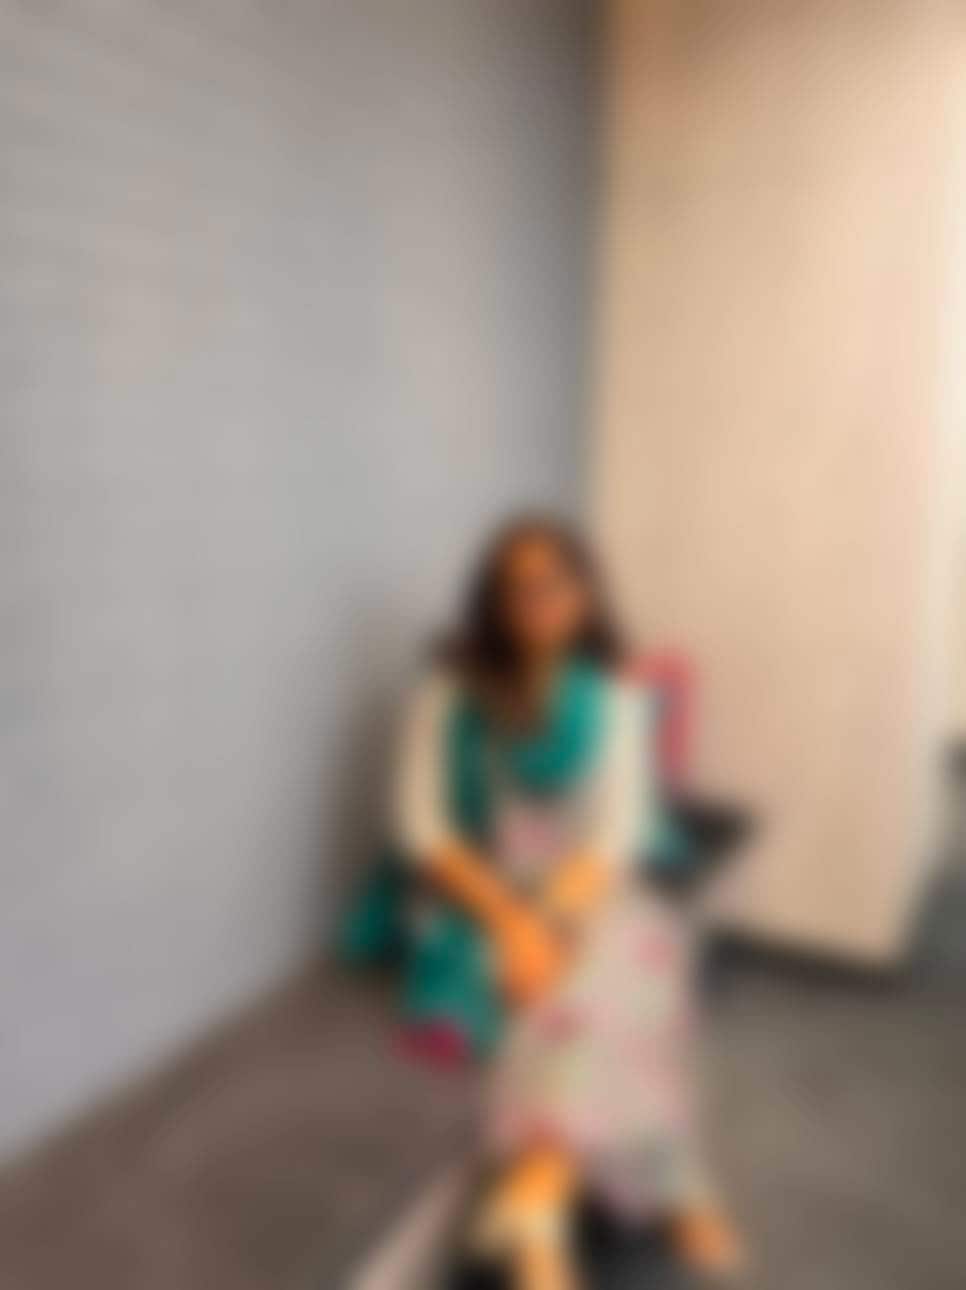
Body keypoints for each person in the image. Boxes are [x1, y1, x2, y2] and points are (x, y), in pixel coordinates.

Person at [393, 516, 741, 1289]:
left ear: (585, 592)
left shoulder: (614, 695)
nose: (538, 601)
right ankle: (674, 1178)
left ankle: (538, 1200)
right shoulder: (453, 692)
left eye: (554, 583)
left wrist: (555, 919)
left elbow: (616, 833)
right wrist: (513, 923)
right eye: (517, 588)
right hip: (476, 895)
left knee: (641, 949)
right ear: (493, 601)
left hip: (581, 888)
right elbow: (424, 826)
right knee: (569, 985)